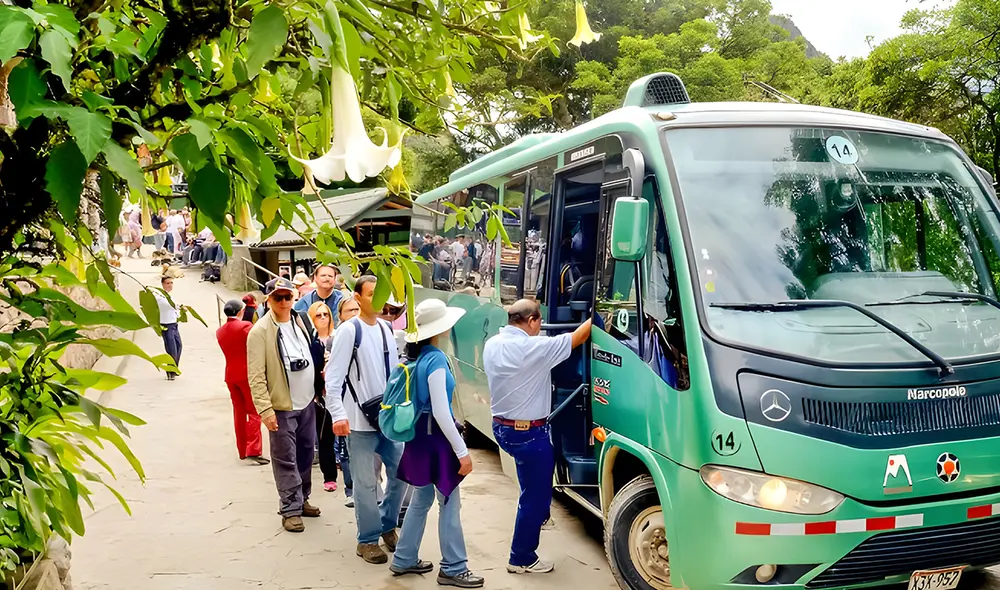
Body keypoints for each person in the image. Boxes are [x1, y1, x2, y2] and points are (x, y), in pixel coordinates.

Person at [483, 300, 592, 574]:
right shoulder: (534, 349)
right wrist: (601, 312)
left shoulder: (493, 344)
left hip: (503, 428)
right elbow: (580, 335)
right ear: (531, 321)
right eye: (540, 321)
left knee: (529, 483)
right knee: (536, 495)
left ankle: (536, 517)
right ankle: (521, 557)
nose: (541, 326)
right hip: (529, 434)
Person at [389, 300, 484, 588]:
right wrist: (462, 452)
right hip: (437, 440)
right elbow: (443, 413)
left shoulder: (413, 358)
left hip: (418, 436)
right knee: (449, 502)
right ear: (440, 329)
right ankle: (454, 567)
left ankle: (404, 558)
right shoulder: (437, 360)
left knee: (421, 499)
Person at [324, 276, 405, 564]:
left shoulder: (385, 328)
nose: (378, 299)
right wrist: (338, 413)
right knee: (365, 481)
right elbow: (333, 377)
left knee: (401, 472)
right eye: (371, 294)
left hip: (388, 417)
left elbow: (395, 374)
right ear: (357, 298)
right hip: (358, 421)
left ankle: (387, 524)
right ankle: (368, 539)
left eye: (380, 294)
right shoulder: (349, 331)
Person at [247, 278, 324, 533]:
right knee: (285, 459)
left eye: (287, 297)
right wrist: (265, 410)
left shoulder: (301, 320)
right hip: (282, 404)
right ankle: (289, 508)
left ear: (294, 297)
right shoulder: (259, 332)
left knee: (305, 452)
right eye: (277, 298)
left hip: (307, 401)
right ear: (268, 299)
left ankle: (302, 498)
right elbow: (256, 375)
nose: (283, 302)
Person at [216, 300, 268, 465]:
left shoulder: (220, 331)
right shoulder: (245, 327)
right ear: (240, 311)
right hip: (247, 373)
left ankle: (242, 449)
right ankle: (253, 449)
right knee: (253, 411)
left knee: (239, 412)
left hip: (231, 373)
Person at [309, 301, 340, 492]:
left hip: (341, 393)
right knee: (325, 437)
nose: (322, 318)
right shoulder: (309, 341)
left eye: (326, 314)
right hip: (320, 396)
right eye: (318, 315)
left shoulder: (338, 338)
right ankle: (330, 476)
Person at [333, 296, 360, 505]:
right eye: (349, 310)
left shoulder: (368, 333)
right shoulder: (339, 338)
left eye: (356, 309)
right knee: (346, 450)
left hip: (365, 407)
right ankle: (351, 489)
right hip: (345, 402)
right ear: (341, 315)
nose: (354, 314)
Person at [294, 264, 344, 329]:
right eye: (323, 275)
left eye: (330, 276)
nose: (327, 278)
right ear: (315, 278)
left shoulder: (343, 301)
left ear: (335, 279)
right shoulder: (303, 302)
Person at [153, 276, 182, 381]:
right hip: (166, 325)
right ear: (163, 284)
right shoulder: (159, 296)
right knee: (171, 349)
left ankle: (174, 368)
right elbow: (167, 306)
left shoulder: (170, 296)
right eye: (168, 283)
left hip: (174, 324)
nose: (170, 285)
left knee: (179, 346)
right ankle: (170, 371)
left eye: (171, 283)